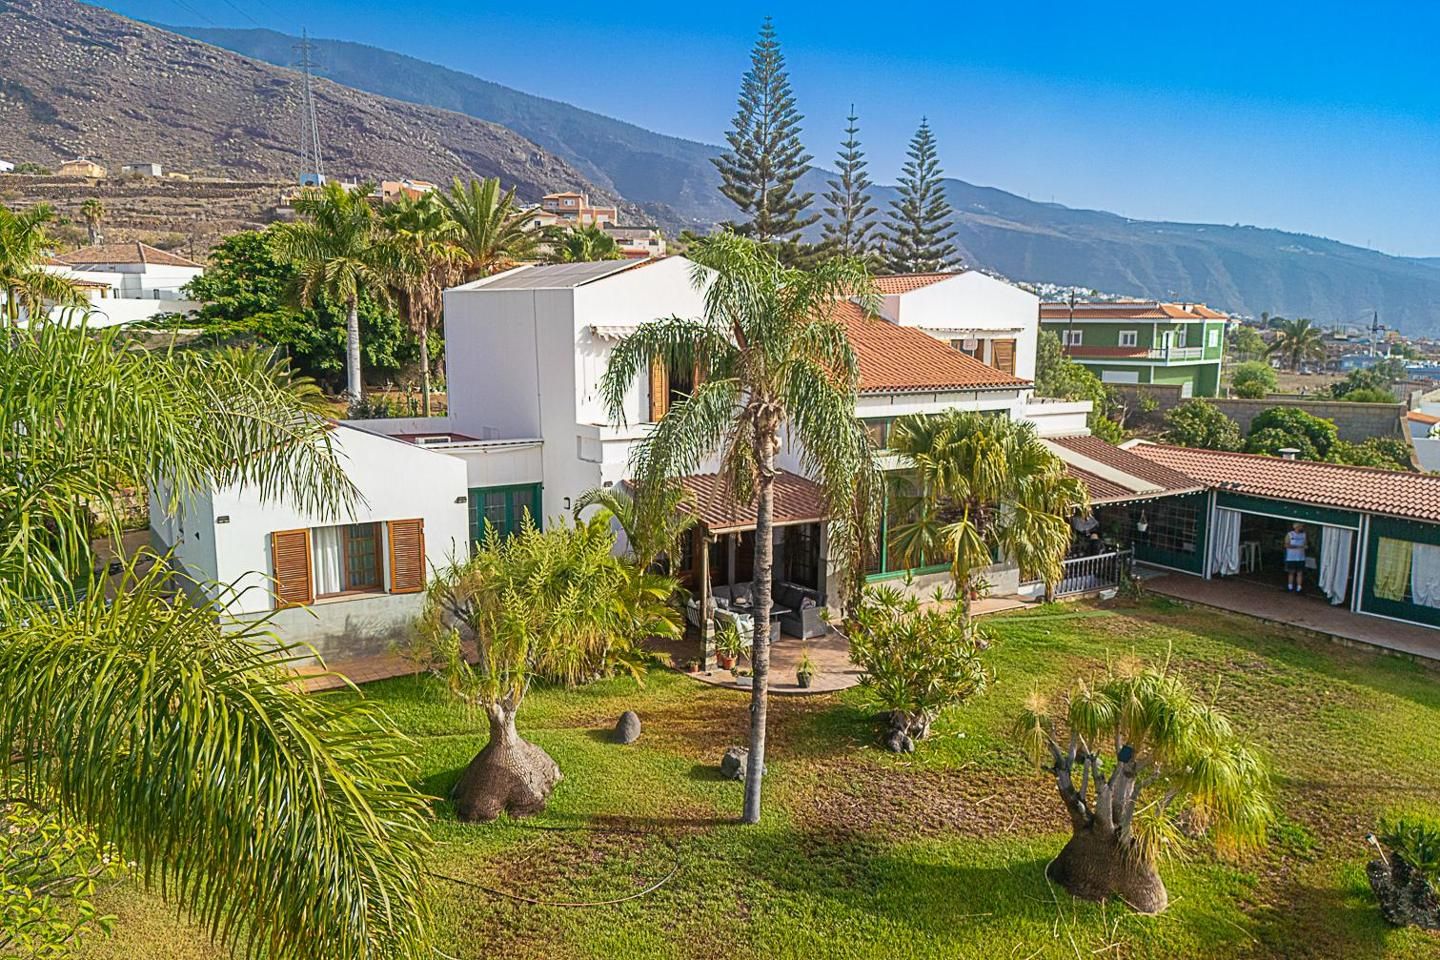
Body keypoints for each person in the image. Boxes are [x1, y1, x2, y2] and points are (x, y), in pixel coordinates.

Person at [1283, 522, 1308, 593]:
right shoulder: (1290, 534)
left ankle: (1299, 588)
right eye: (1300, 526)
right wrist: (1297, 547)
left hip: (1300, 557)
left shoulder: (1304, 535)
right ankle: (1290, 587)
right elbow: (1286, 545)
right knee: (1291, 572)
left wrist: (1305, 547)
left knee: (1300, 573)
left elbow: (1305, 544)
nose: (1302, 528)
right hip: (1291, 557)